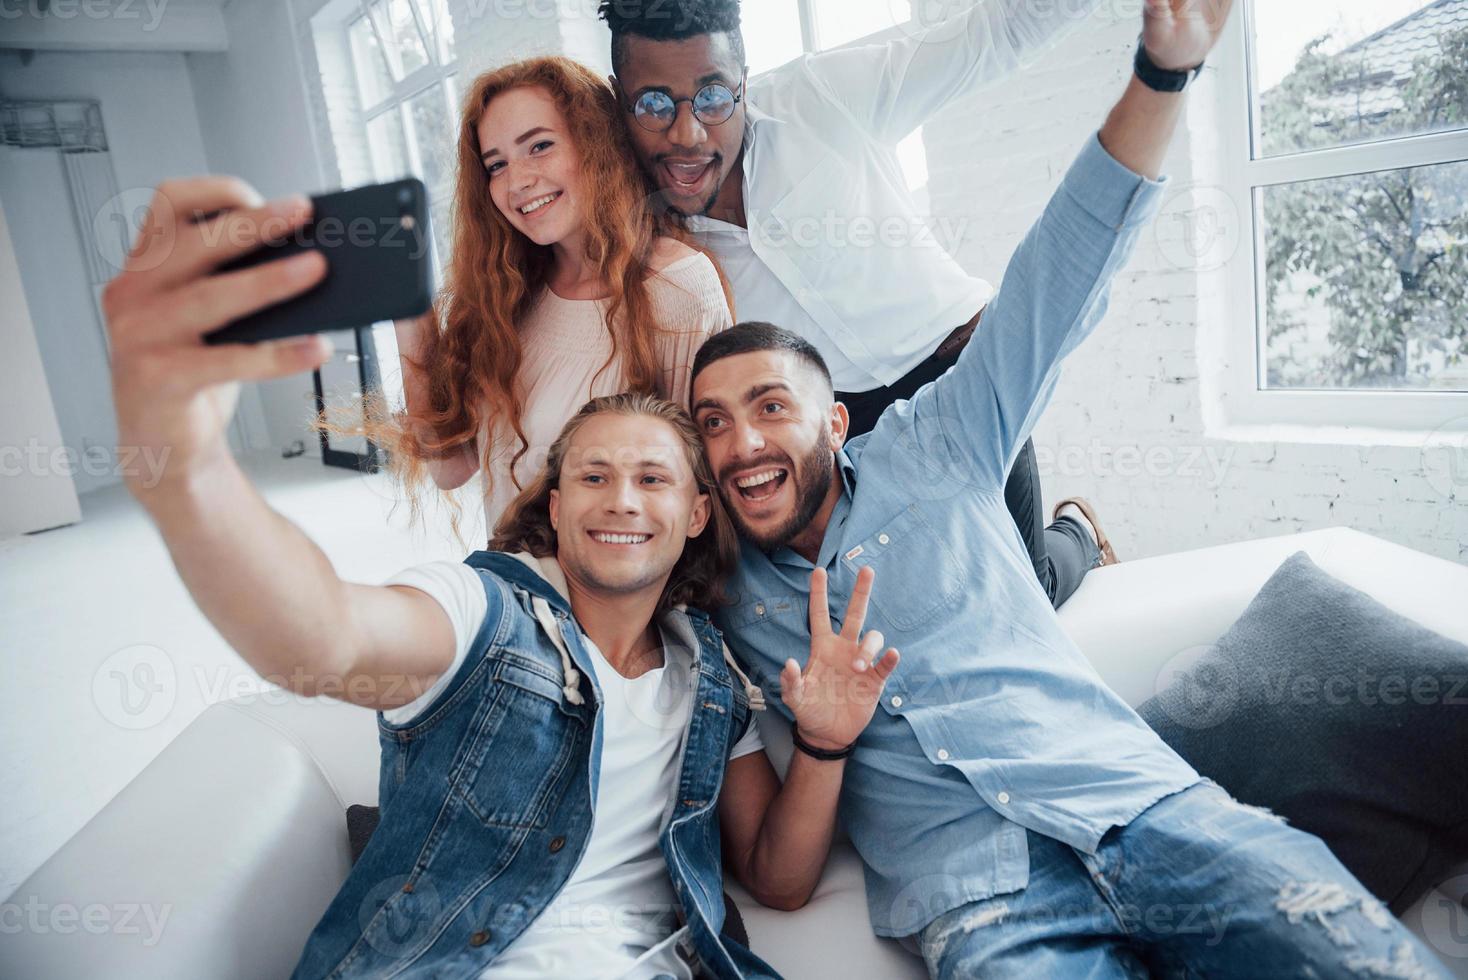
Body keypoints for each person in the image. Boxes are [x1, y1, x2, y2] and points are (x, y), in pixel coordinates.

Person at [685, 1, 1455, 976]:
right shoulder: (723, 596)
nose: (743, 440)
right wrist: (824, 739)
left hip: (1148, 814)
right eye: (712, 421)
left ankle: (1067, 539)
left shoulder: (935, 445)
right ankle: (1071, 542)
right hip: (986, 905)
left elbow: (1060, 272)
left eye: (768, 407)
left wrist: (1162, 72)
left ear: (837, 419)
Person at [103, 171, 907, 976]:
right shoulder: (482, 614)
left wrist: (824, 743)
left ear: (698, 512)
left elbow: (779, 880)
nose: (621, 501)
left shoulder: (709, 678)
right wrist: (187, 464)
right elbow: (324, 637)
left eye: (654, 479)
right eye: (593, 477)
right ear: (553, 508)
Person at [599, 0, 1118, 609]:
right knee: (909, 611)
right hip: (842, 430)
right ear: (619, 99)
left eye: (713, 99)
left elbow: (993, 35)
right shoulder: (639, 230)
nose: (687, 134)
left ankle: (1077, 531)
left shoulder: (821, 96)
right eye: (654, 105)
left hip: (959, 372)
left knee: (1026, 591)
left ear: (743, 82)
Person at [388, 56, 734, 536]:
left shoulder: (677, 287)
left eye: (540, 146)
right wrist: (408, 303)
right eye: (497, 165)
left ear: (598, 145)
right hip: (513, 585)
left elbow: (691, 491)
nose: (518, 181)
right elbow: (451, 468)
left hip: (611, 601)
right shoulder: (505, 296)